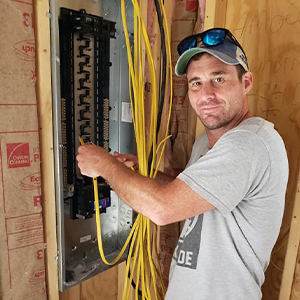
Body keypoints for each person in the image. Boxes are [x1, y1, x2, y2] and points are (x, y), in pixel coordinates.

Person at [76, 28, 289, 299]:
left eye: (218, 78)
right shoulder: (207, 142)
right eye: (196, 83)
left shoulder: (250, 144)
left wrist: (105, 165)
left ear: (246, 82)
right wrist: (145, 173)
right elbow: (187, 193)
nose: (206, 94)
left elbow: (163, 208)